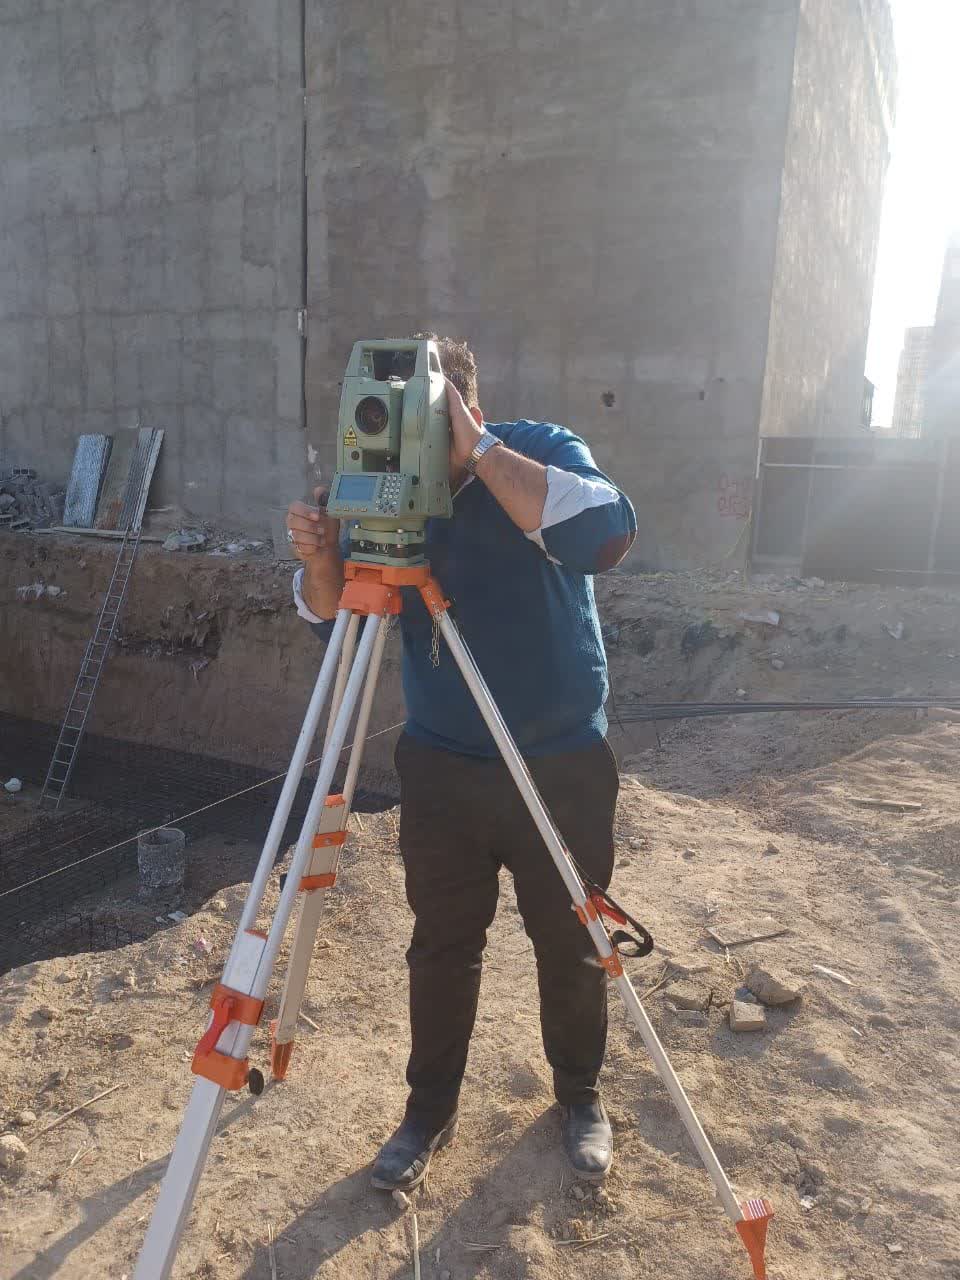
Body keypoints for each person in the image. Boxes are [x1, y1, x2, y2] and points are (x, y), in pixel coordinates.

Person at [286, 335, 637, 1190]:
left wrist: (476, 452)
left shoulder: (540, 450)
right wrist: (321, 558)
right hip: (444, 762)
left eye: (424, 422)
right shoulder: (373, 477)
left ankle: (580, 1096)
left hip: (557, 758)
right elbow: (334, 619)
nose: (401, 440)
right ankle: (428, 1109)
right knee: (442, 944)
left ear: (466, 410)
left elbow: (605, 533)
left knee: (572, 939)